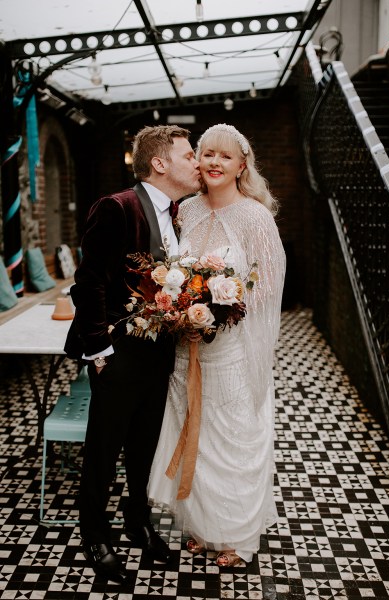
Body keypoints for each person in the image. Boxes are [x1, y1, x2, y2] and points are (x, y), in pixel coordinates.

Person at [64, 125, 201, 583]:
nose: (196, 162)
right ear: (159, 164)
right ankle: (95, 534)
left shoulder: (177, 213)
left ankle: (137, 522)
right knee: (103, 449)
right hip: (117, 354)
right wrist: (100, 350)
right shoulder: (118, 207)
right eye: (188, 155)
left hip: (160, 354)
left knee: (144, 444)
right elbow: (89, 283)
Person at [148, 123, 286, 567]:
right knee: (196, 435)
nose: (213, 163)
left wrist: (221, 313)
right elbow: (168, 271)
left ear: (242, 165)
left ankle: (237, 538)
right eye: (206, 154)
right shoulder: (185, 210)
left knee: (232, 437)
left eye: (225, 156)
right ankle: (203, 528)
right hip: (186, 345)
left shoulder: (255, 216)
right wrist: (183, 312)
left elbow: (266, 288)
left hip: (231, 348)